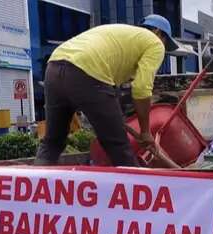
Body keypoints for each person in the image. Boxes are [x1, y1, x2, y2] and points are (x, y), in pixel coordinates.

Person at [34, 15, 181, 166]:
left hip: (54, 66)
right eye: (165, 41)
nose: (163, 47)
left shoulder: (124, 36)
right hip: (88, 71)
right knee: (119, 147)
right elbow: (142, 88)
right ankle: (133, 186)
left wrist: (113, 117)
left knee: (52, 142)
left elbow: (109, 92)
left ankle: (35, 185)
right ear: (157, 32)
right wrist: (145, 132)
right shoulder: (154, 42)